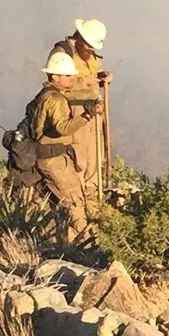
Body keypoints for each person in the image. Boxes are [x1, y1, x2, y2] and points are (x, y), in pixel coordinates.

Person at [10, 50, 104, 242]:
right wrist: (88, 115)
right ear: (55, 77)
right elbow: (62, 128)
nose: (73, 78)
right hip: (54, 159)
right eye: (68, 75)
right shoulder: (56, 99)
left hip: (46, 157)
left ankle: (62, 241)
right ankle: (87, 244)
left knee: (57, 203)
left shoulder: (44, 95)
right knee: (74, 201)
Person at [50, 18, 112, 204]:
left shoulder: (89, 56)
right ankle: (77, 199)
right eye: (90, 45)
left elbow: (92, 77)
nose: (91, 50)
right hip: (75, 110)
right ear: (81, 37)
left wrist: (102, 79)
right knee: (79, 156)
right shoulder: (62, 53)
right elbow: (58, 83)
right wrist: (86, 80)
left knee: (95, 155)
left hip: (94, 109)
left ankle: (93, 199)